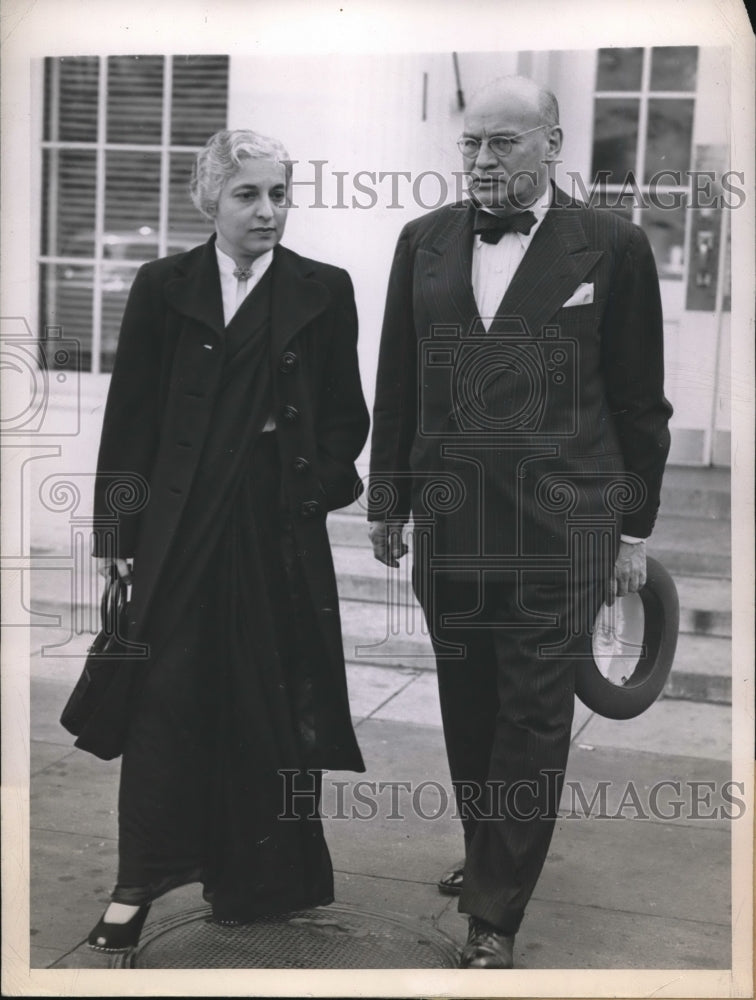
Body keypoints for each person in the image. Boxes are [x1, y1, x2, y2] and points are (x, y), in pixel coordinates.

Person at [368, 76, 672, 968]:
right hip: (454, 523)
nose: (482, 160)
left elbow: (639, 401)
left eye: (503, 143)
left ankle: (496, 916)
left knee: (534, 715)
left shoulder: (612, 247)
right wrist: (390, 499)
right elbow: (400, 378)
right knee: (469, 706)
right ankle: (485, 854)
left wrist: (632, 531)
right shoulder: (421, 242)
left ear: (551, 142)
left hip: (561, 527)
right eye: (470, 144)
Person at [86, 129, 369, 952]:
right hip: (178, 537)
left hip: (276, 539)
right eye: (248, 194)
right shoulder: (162, 285)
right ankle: (137, 883)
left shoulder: (324, 288)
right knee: (164, 708)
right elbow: (130, 414)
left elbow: (347, 416)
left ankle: (261, 883)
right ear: (208, 198)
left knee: (273, 706)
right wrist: (120, 531)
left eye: (280, 193)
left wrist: (303, 478)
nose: (269, 211)